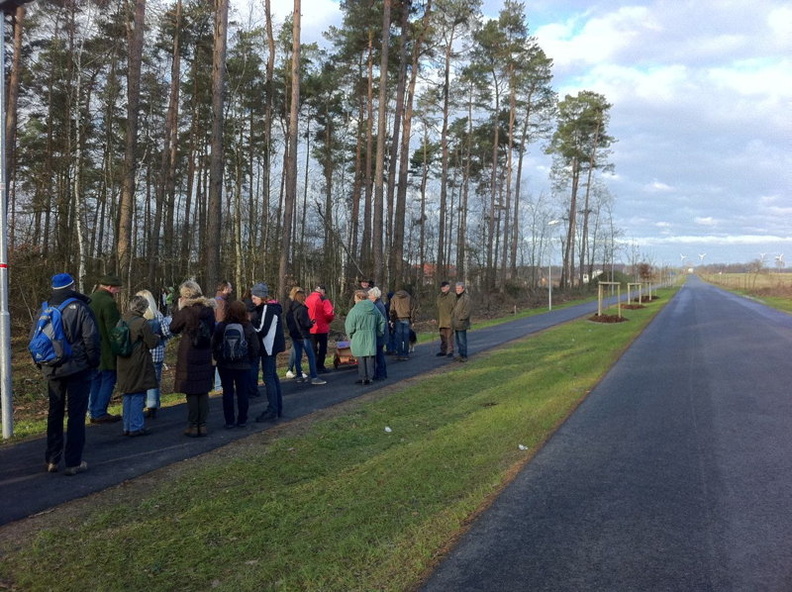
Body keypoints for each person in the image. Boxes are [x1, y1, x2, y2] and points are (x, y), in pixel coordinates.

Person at [34, 273, 100, 476]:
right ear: (72, 286)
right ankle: (73, 461)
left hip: (52, 368)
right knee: (76, 415)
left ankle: (52, 459)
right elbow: (91, 338)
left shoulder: (44, 308)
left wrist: (42, 365)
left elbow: (34, 339)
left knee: (54, 413)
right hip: (77, 368)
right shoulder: (79, 307)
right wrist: (92, 362)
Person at [169, 280, 216, 437]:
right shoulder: (209, 310)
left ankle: (192, 423)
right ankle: (202, 424)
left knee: (191, 391)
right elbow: (213, 329)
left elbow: (173, 328)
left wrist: (179, 309)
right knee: (202, 390)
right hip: (204, 350)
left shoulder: (186, 312)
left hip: (188, 351)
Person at [116, 295, 161, 437]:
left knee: (128, 394)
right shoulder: (141, 323)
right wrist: (157, 337)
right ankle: (136, 426)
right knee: (137, 393)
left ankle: (127, 426)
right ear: (143, 308)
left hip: (122, 361)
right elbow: (151, 343)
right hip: (138, 361)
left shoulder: (122, 320)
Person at [212, 300, 259, 429]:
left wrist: (218, 357)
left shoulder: (222, 326)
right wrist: (251, 359)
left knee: (227, 392)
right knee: (242, 392)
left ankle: (229, 420)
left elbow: (214, 343)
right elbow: (255, 346)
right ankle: (242, 419)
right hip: (243, 365)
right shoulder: (247, 326)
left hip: (224, 364)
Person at [88, 274, 123, 423]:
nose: (118, 291)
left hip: (91, 347)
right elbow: (113, 330)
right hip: (106, 349)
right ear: (109, 287)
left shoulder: (89, 299)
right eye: (117, 289)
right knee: (109, 378)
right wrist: (120, 349)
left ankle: (93, 410)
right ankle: (100, 411)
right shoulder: (108, 302)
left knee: (95, 379)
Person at [250, 283, 287, 422]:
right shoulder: (270, 308)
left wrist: (249, 326)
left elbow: (261, 330)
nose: (253, 301)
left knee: (269, 378)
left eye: (254, 298)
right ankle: (277, 407)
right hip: (270, 346)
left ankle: (273, 409)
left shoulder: (267, 309)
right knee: (273, 376)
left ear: (261, 297)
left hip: (268, 347)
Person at [136, 289, 172, 418]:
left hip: (140, 354)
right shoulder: (158, 315)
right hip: (156, 352)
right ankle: (153, 405)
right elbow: (166, 332)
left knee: (141, 380)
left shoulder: (136, 318)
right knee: (155, 380)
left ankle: (139, 405)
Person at [285, 286, 326, 385]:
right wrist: (311, 323)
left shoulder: (290, 310)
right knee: (311, 356)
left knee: (298, 356)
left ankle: (299, 375)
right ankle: (314, 376)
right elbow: (305, 323)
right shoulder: (302, 309)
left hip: (295, 335)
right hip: (303, 335)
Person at [346, 290, 386, 385]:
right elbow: (381, 321)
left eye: (355, 298)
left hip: (358, 335)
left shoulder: (354, 310)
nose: (354, 301)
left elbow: (349, 326)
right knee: (370, 356)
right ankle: (370, 377)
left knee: (361, 357)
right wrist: (379, 332)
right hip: (371, 335)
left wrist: (350, 335)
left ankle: (363, 377)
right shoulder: (373, 308)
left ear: (359, 298)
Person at [306, 284, 334, 373]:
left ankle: (313, 366)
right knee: (322, 348)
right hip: (322, 327)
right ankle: (320, 366)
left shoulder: (307, 298)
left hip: (310, 327)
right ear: (322, 291)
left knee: (313, 348)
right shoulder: (323, 299)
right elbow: (329, 313)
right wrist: (328, 321)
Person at [212, 280, 233, 392]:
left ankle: (219, 384)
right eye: (230, 287)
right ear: (225, 288)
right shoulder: (221, 302)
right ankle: (219, 385)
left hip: (219, 334)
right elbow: (221, 321)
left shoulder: (219, 300)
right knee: (221, 359)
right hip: (221, 335)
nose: (231, 289)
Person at [368, 287, 388, 380]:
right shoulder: (379, 304)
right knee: (379, 355)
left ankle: (381, 374)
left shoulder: (377, 306)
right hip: (382, 333)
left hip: (380, 334)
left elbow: (378, 321)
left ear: (374, 296)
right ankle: (381, 373)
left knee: (379, 355)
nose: (368, 297)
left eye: (370, 295)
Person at [389, 287, 414, 361]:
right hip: (406, 318)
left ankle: (399, 354)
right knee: (406, 337)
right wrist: (412, 320)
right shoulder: (409, 297)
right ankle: (405, 354)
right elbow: (412, 309)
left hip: (398, 318)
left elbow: (392, 309)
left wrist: (392, 320)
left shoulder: (394, 297)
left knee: (398, 337)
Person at [452, 281, 472, 362]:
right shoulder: (455, 297)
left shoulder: (466, 298)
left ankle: (464, 355)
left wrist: (460, 318)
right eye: (456, 288)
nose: (457, 290)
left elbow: (467, 311)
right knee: (458, 340)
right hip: (455, 323)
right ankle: (460, 354)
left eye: (459, 288)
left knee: (462, 340)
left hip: (462, 322)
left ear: (463, 289)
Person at [436, 281, 455, 358]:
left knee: (449, 337)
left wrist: (452, 318)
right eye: (442, 287)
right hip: (441, 319)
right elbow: (437, 309)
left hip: (449, 319)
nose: (443, 288)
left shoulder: (452, 296)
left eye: (444, 287)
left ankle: (450, 351)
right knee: (442, 336)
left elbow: (455, 308)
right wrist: (435, 319)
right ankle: (443, 350)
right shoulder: (439, 297)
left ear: (448, 287)